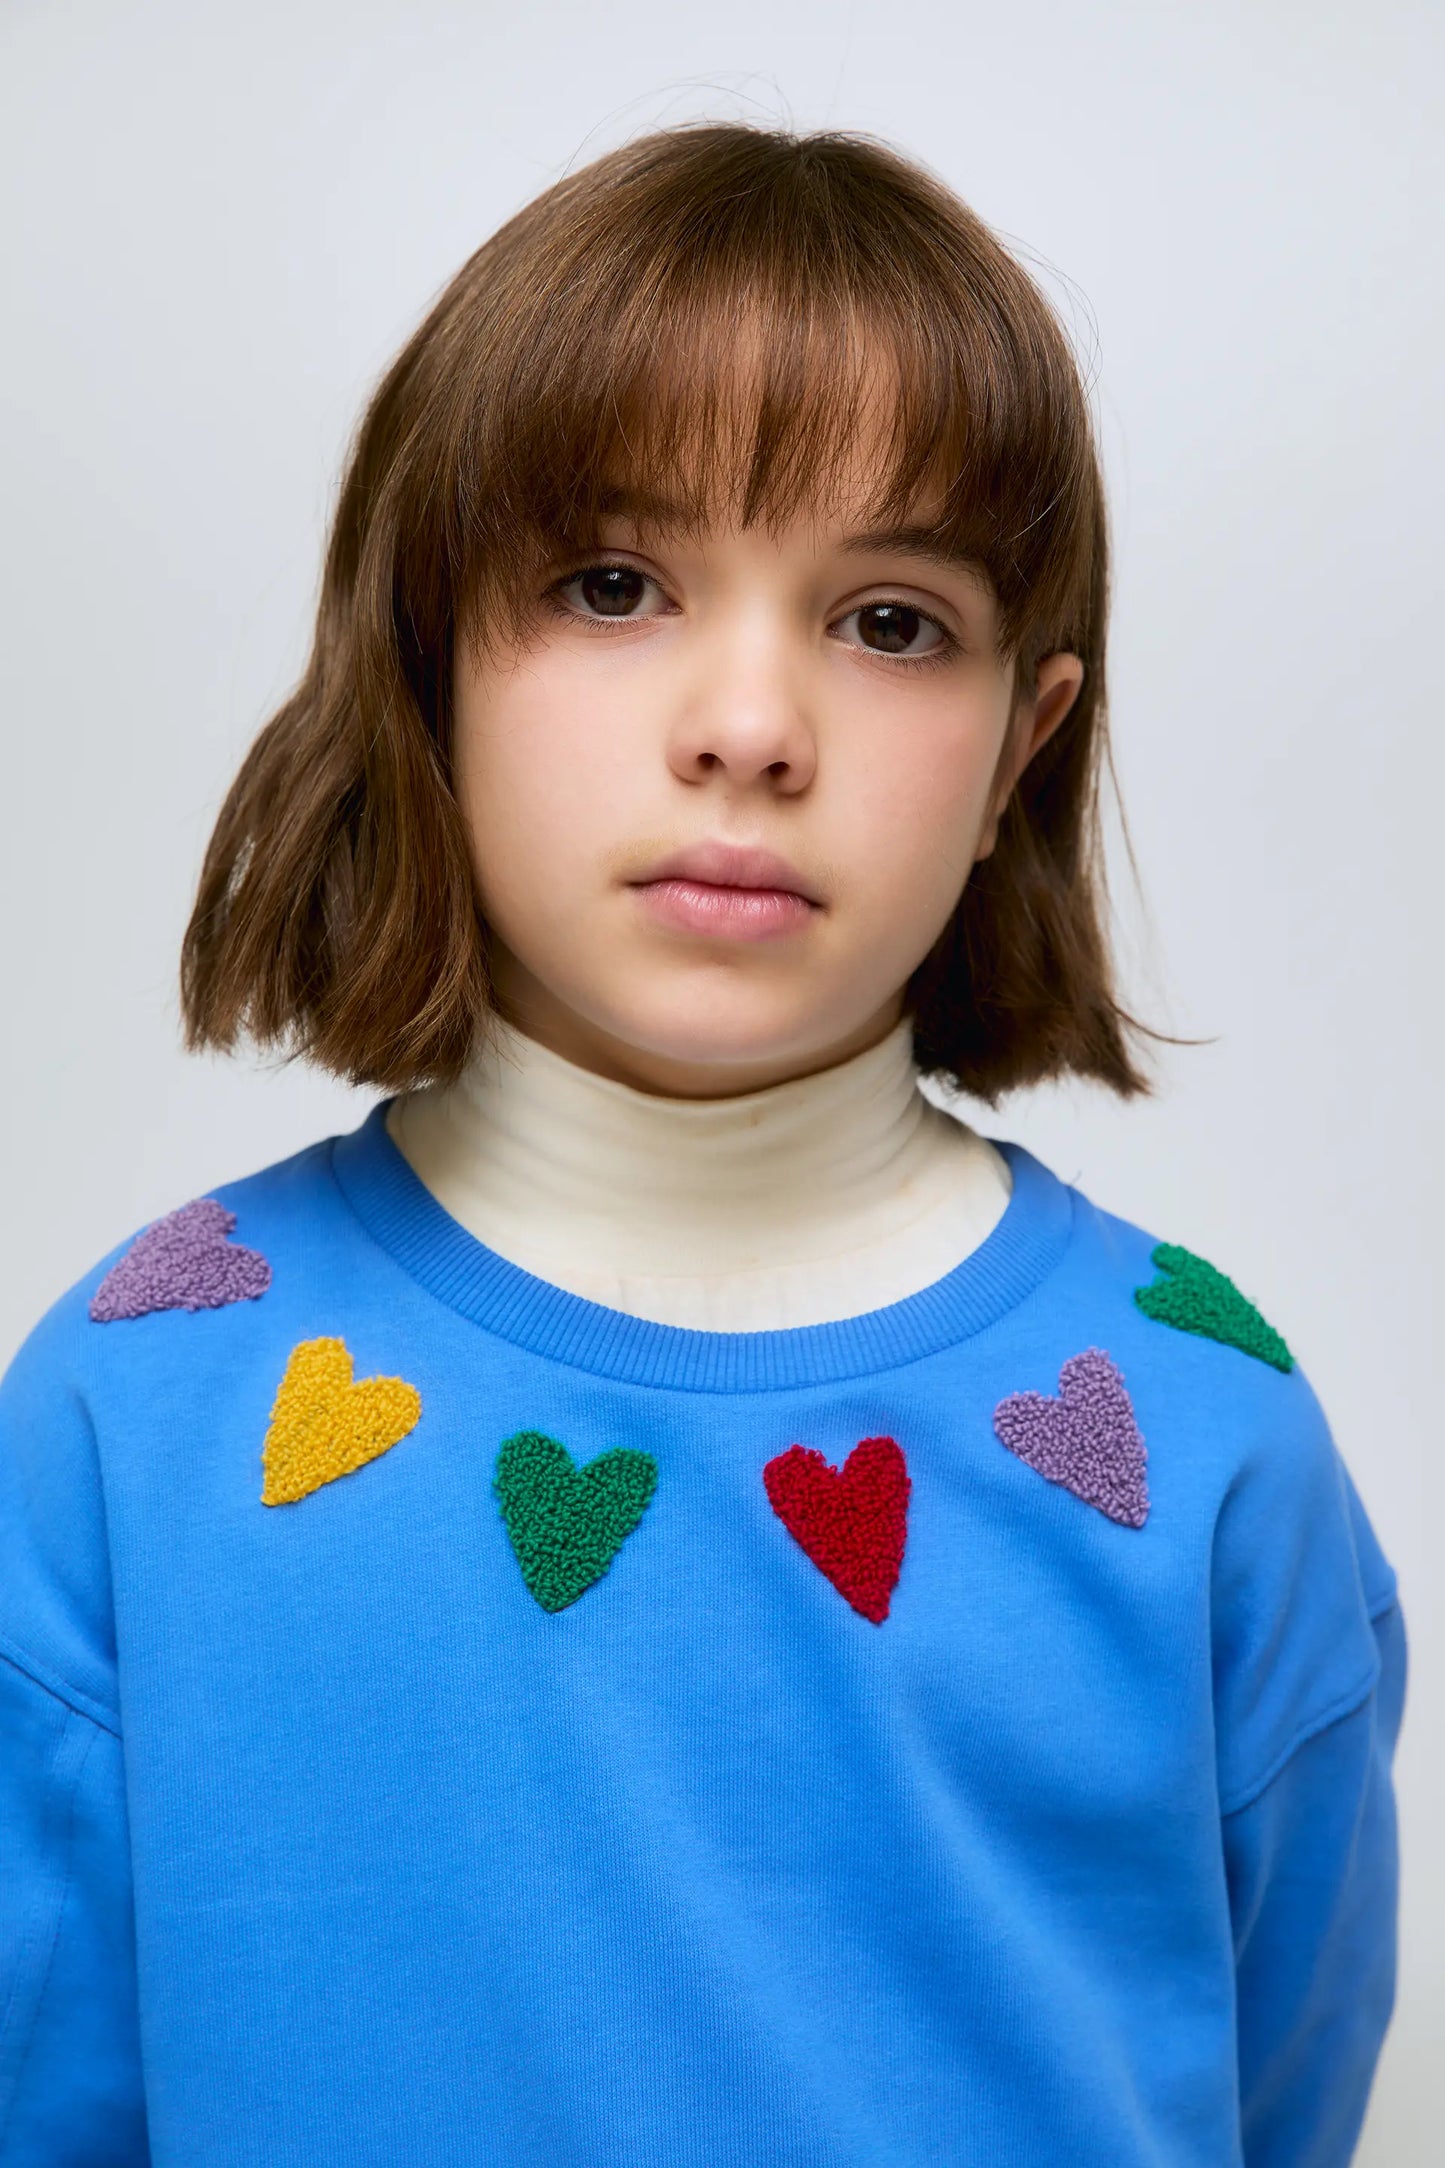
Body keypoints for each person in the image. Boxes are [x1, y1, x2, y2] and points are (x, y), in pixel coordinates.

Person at [0, 124, 1404, 2167]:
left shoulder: (1204, 1432)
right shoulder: (136, 1404)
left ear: (1026, 741)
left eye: (893, 619)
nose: (751, 723)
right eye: (614, 582)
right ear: (428, 660)